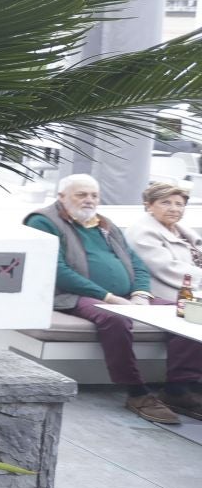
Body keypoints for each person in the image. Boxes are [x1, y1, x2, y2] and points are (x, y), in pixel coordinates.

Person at [29, 174, 202, 423]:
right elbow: (57, 270)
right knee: (115, 319)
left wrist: (141, 293)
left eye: (94, 195)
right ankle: (136, 391)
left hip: (124, 296)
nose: (89, 200)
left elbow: (136, 262)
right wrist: (108, 297)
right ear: (61, 197)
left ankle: (178, 389)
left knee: (188, 311)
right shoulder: (43, 221)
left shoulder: (103, 223)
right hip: (72, 295)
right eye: (81, 194)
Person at [129, 181, 202, 302]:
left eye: (179, 204)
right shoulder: (142, 232)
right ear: (149, 206)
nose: (174, 209)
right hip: (173, 296)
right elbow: (167, 268)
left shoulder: (181, 230)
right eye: (166, 203)